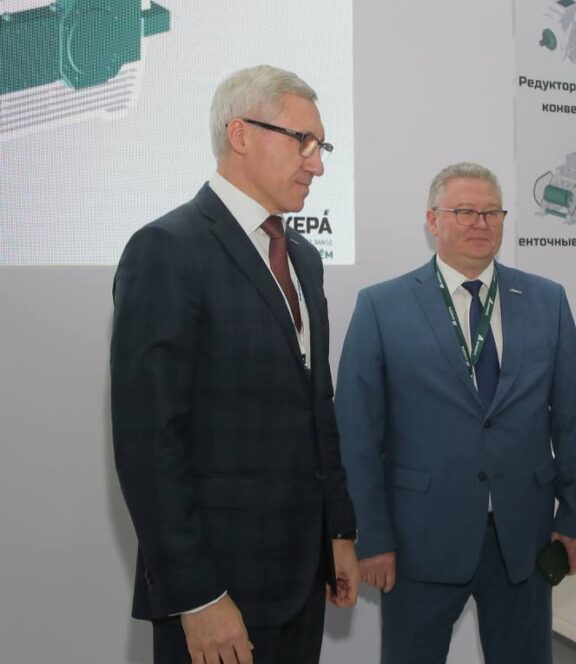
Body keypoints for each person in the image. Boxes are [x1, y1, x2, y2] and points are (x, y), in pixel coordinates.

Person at [110, 65, 359, 664]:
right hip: (217, 591)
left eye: (321, 147)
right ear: (240, 134)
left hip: (302, 581)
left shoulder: (303, 257)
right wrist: (197, 597)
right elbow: (149, 443)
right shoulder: (167, 249)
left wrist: (338, 531)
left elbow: (316, 407)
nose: (317, 165)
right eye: (303, 141)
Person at [335, 162, 576, 664]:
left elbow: (574, 420)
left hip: (524, 539)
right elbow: (356, 434)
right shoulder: (381, 307)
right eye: (464, 212)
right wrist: (370, 537)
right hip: (419, 542)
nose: (480, 223)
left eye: (491, 213)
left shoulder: (547, 300)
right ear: (432, 220)